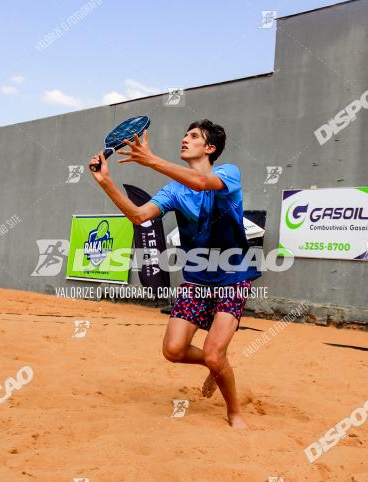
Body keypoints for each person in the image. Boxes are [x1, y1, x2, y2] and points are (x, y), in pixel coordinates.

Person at [89, 120, 260, 430]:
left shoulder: (228, 173)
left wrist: (151, 160)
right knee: (173, 350)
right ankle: (217, 363)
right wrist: (106, 182)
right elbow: (139, 216)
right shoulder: (173, 189)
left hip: (233, 275)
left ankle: (234, 411)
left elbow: (201, 183)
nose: (185, 139)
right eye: (184, 134)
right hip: (197, 278)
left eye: (193, 136)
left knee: (212, 352)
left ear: (210, 148)